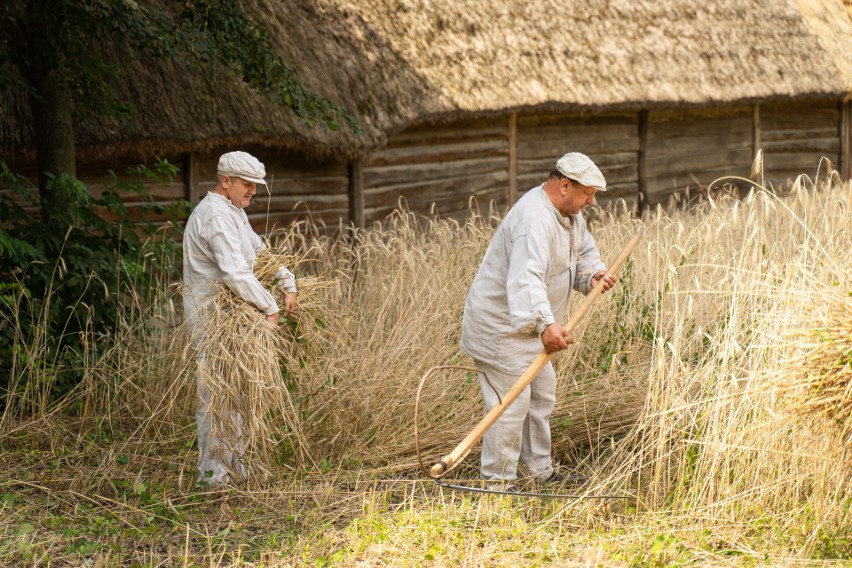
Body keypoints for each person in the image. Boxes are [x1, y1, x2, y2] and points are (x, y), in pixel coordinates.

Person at [460, 152, 617, 487]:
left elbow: (583, 253)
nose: (591, 201)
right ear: (564, 185)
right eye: (587, 193)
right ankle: (498, 484)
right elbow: (525, 279)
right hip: (500, 329)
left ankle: (539, 471)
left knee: (542, 394)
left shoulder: (570, 216)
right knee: (510, 406)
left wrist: (592, 276)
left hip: (530, 328)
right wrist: (545, 325)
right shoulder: (534, 220)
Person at [182, 150, 298, 487]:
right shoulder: (214, 217)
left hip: (235, 317)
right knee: (217, 395)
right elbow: (235, 271)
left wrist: (286, 283)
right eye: (248, 184)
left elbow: (257, 252)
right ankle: (213, 477)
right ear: (226, 181)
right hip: (213, 320)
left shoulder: (233, 211)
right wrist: (270, 307)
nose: (253, 191)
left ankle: (234, 469)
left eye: (256, 185)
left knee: (236, 394)